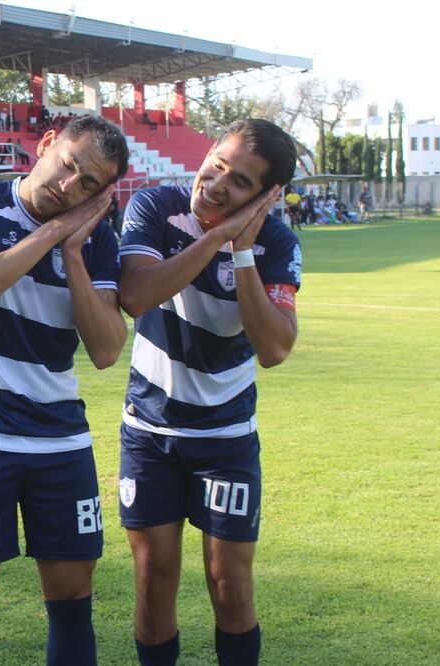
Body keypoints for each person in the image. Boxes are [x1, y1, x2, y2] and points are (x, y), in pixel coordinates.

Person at [0, 115, 129, 664]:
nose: (69, 186)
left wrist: (74, 254)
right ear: (46, 144)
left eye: (88, 185)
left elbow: (107, 348)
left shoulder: (97, 241)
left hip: (61, 443)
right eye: (68, 165)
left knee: (72, 604)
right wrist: (53, 234)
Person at [116, 119, 301, 666]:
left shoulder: (276, 243)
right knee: (153, 581)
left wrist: (242, 252)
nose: (216, 185)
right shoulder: (156, 207)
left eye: (240, 182)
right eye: (216, 165)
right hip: (149, 432)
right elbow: (136, 295)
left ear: (267, 196)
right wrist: (217, 237)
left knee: (230, 585)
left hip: (225, 437)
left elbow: (275, 348)